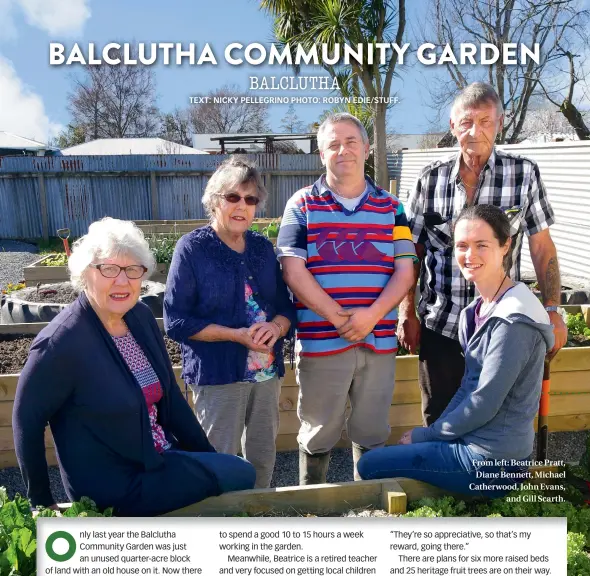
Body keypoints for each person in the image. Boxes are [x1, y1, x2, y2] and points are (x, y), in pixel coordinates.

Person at [13, 217, 256, 516]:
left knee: (233, 472)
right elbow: (27, 419)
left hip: (158, 457)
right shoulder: (62, 343)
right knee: (241, 474)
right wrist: (41, 501)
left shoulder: (138, 317)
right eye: (109, 269)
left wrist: (206, 456)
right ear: (85, 273)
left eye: (132, 270)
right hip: (112, 484)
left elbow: (169, 395)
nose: (122, 281)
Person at [400, 82, 567, 426]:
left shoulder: (523, 174)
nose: (475, 131)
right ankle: (441, 482)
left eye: (485, 121)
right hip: (441, 325)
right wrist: (407, 313)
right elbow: (411, 250)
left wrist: (551, 309)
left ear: (500, 123)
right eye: (466, 122)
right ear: (452, 126)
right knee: (440, 421)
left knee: (498, 422)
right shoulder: (429, 179)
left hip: (503, 328)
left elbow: (541, 246)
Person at [358, 204, 554, 495]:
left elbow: (484, 402)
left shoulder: (514, 321)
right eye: (462, 245)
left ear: (505, 246)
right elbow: (467, 388)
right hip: (473, 443)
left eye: (481, 245)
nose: (469, 255)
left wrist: (428, 434)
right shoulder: (475, 312)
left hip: (495, 461)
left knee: (370, 465)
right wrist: (435, 435)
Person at [277, 113, 418, 484]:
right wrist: (341, 319)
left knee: (372, 432)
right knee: (318, 433)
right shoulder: (302, 204)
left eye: (351, 142)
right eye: (333, 144)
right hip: (323, 344)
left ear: (367, 149)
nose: (344, 150)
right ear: (321, 154)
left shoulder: (392, 207)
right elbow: (293, 271)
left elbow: (405, 271)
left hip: (379, 343)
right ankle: (311, 513)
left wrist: (371, 317)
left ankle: (367, 509)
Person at [163, 157, 295, 489]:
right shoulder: (192, 249)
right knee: (221, 462)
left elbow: (286, 308)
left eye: (250, 199)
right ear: (214, 200)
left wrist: (276, 328)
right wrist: (235, 336)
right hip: (218, 376)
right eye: (233, 197)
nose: (242, 206)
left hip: (267, 375)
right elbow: (176, 320)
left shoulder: (264, 249)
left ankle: (258, 522)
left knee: (263, 459)